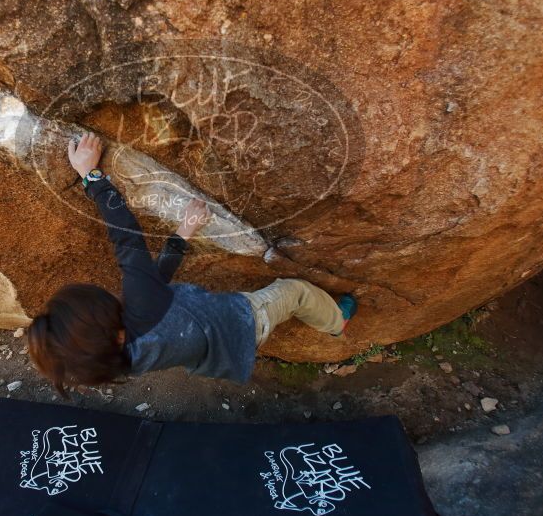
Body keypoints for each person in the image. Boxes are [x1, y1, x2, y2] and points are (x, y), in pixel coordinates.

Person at [27, 133, 357, 396]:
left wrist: (184, 232)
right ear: (112, 333)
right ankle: (335, 323)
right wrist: (91, 175)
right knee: (293, 290)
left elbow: (153, 287)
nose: (114, 299)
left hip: (211, 354)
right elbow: (126, 236)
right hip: (246, 322)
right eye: (105, 303)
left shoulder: (113, 362)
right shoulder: (141, 304)